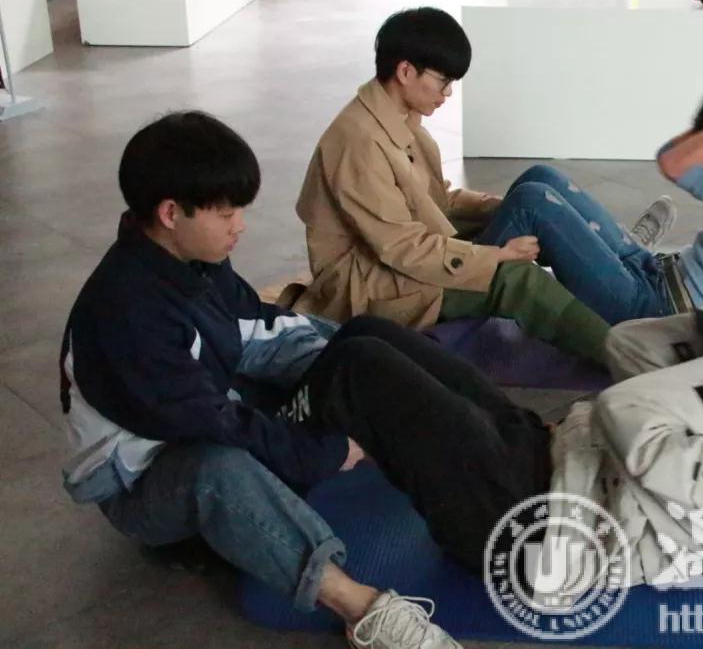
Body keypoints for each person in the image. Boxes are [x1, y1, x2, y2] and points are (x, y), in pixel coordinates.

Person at [59, 111, 462, 649]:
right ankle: (362, 608)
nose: (240, 226)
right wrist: (320, 453)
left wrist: (344, 357)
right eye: (226, 213)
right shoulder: (128, 315)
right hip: (142, 482)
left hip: (200, 409)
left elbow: (254, 328)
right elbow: (214, 423)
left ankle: (501, 437)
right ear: (171, 213)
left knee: (358, 343)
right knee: (219, 468)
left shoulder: (189, 259)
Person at [304, 307, 703, 586]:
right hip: (547, 456)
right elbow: (624, 344)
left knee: (363, 364)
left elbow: (624, 412)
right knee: (370, 332)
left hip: (528, 531)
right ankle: (297, 408)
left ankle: (279, 449)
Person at [292, 7, 674, 364]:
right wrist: (495, 257)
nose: (448, 93)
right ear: (406, 71)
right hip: (375, 285)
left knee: (539, 185)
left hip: (402, 253)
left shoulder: (396, 115)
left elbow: (433, 200)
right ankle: (636, 353)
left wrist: (512, 208)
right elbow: (403, 249)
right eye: (443, 81)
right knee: (516, 278)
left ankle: (642, 268)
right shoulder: (360, 142)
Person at [477, 76, 703, 324]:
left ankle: (460, 288)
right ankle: (479, 259)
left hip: (657, 312)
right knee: (543, 176)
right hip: (658, 272)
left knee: (533, 201)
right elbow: (674, 155)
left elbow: (673, 163)